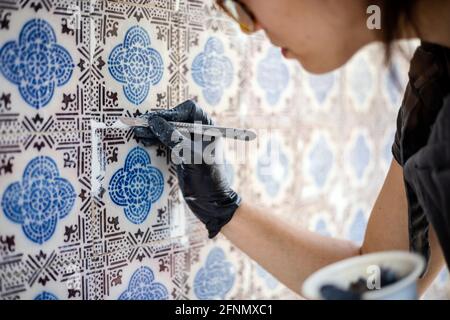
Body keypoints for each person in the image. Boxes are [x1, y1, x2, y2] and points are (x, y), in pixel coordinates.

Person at [134, 0, 450, 297]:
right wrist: (220, 207)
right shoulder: (434, 82)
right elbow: (380, 279)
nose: (250, 26)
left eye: (239, 4)